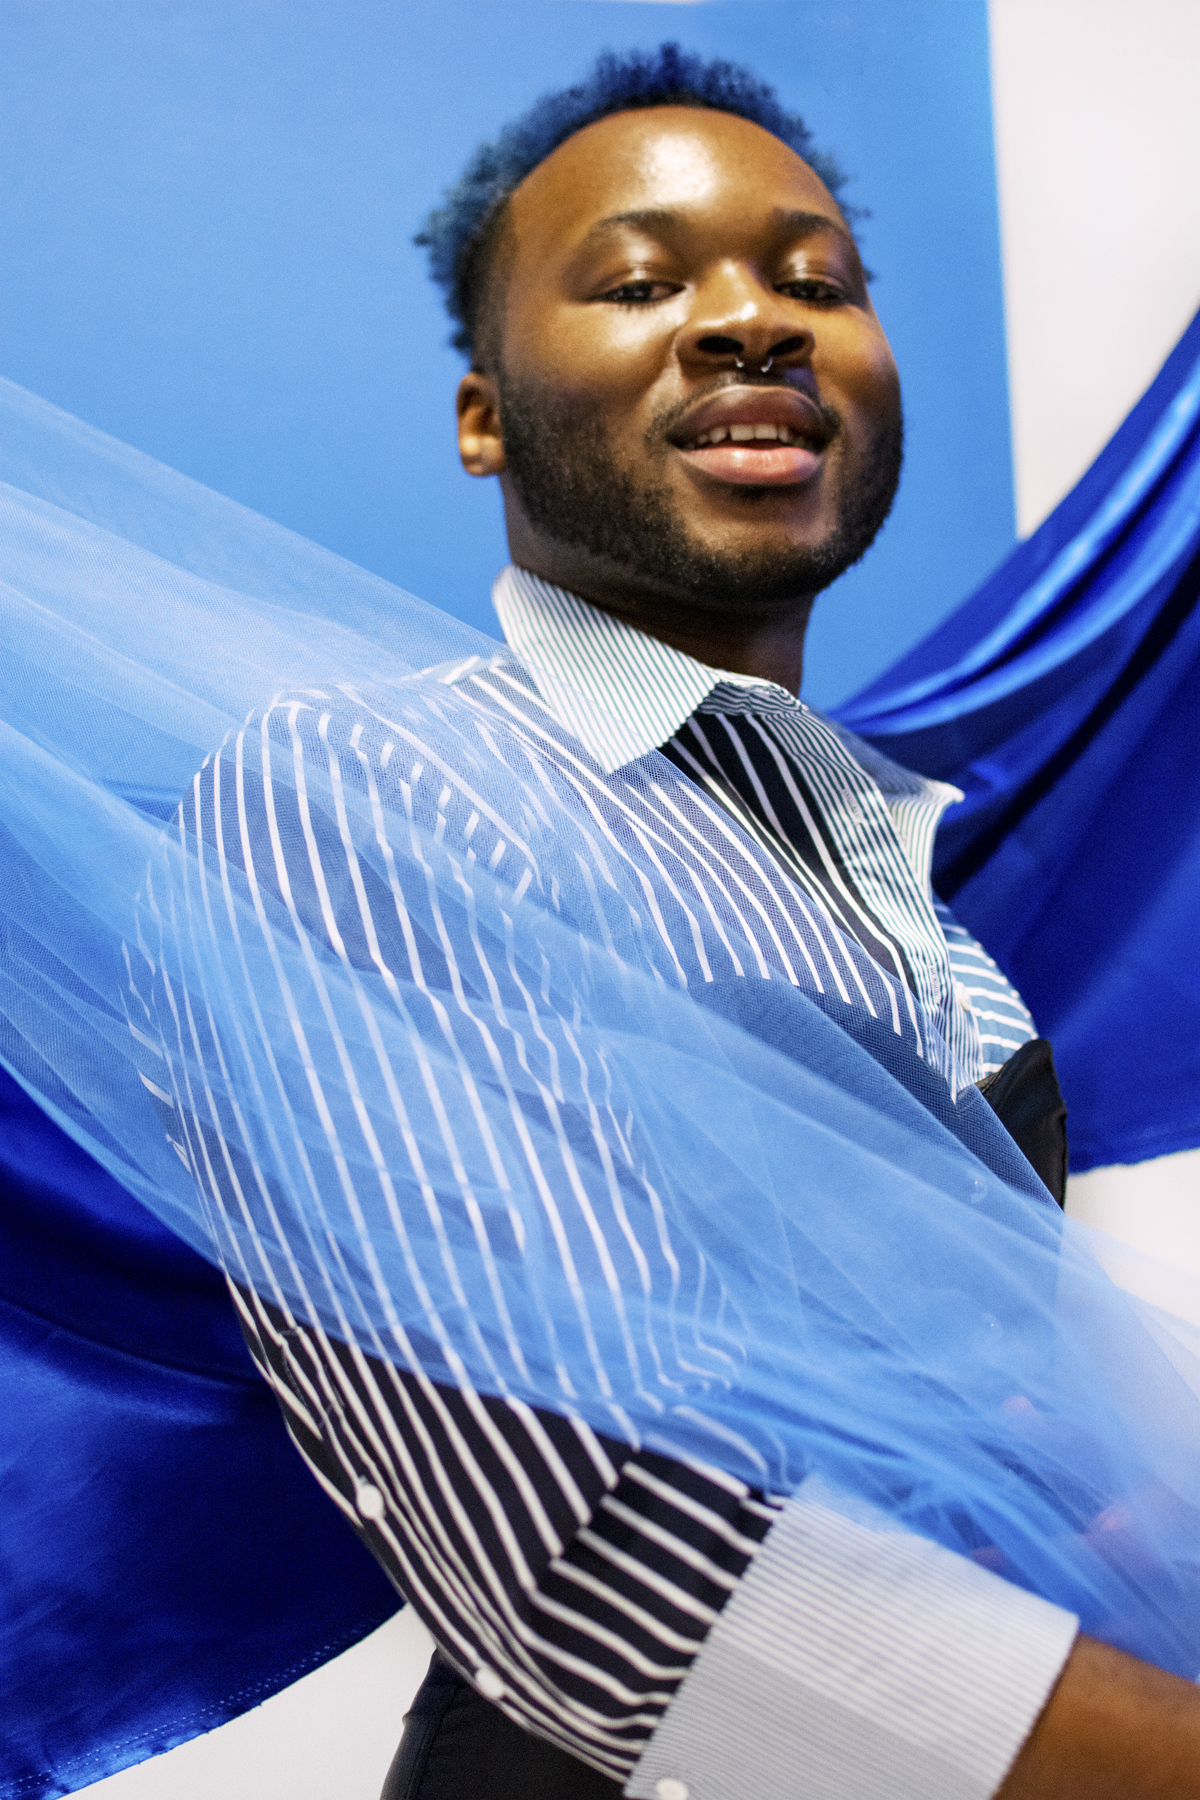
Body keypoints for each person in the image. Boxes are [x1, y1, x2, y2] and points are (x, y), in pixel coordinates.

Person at [129, 45, 1200, 1800]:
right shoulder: (369, 796)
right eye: (641, 282)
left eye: (815, 281)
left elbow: (980, 1464)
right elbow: (599, 1567)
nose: (750, 322)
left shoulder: (945, 946)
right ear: (485, 416)